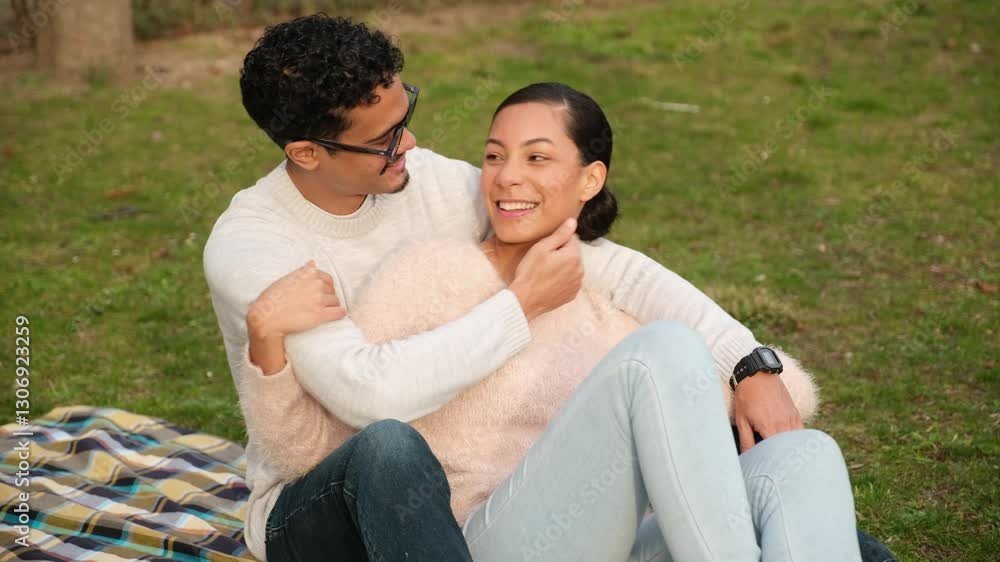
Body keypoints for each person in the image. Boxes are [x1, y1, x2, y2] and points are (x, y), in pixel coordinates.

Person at [203, 14, 895, 562]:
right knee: (390, 449)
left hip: (495, 493)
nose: (409, 144)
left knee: (802, 465)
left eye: (405, 113)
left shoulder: (431, 185)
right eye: (384, 139)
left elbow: (601, 264)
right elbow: (369, 396)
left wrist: (748, 363)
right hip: (325, 506)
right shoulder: (257, 248)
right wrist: (519, 305)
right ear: (306, 153)